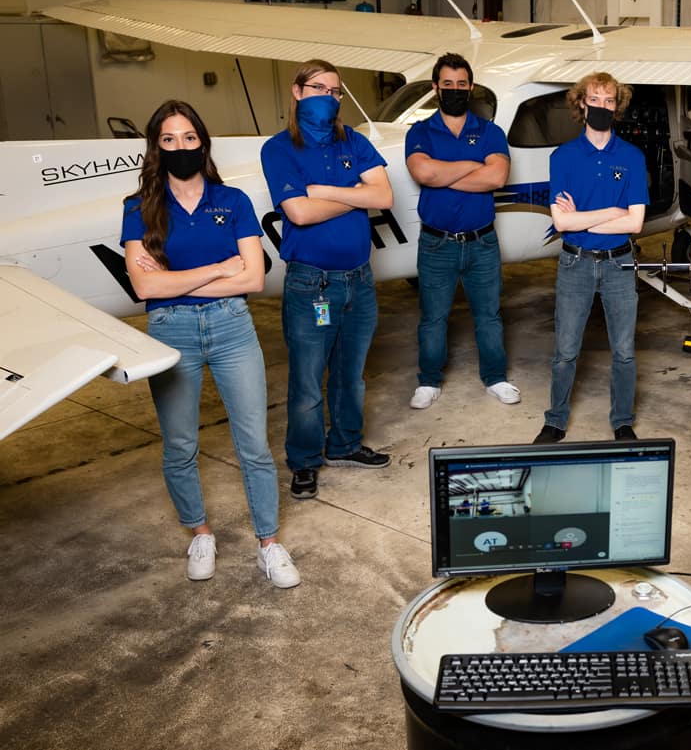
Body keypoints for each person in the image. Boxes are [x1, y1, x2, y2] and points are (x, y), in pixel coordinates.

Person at [121, 100, 300, 588]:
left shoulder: (233, 201)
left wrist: (177, 279)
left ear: (203, 142)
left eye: (189, 138)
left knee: (254, 445)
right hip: (171, 331)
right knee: (180, 445)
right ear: (156, 148)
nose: (181, 147)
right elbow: (144, 289)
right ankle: (200, 532)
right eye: (169, 140)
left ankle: (269, 542)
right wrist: (222, 269)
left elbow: (256, 277)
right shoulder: (138, 209)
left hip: (231, 327)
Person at [260, 59, 395, 500]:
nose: (329, 98)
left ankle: (345, 445)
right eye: (319, 88)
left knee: (350, 376)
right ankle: (304, 460)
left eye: (335, 92)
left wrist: (324, 191)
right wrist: (356, 198)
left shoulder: (351, 140)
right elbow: (297, 212)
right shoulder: (278, 149)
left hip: (359, 280)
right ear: (297, 92)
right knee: (307, 381)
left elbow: (385, 196)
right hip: (311, 284)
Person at [533, 72, 649, 444]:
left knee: (625, 351)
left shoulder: (632, 157)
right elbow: (561, 222)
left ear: (618, 106)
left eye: (609, 101)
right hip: (575, 263)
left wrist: (586, 218)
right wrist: (612, 213)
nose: (602, 107)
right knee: (566, 349)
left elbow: (636, 223)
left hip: (619, 264)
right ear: (581, 103)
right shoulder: (563, 157)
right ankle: (555, 419)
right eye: (594, 100)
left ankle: (622, 421)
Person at [405, 53, 518, 410]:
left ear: (471, 87)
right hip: (436, 243)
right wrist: (473, 166)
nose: (455, 90)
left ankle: (495, 377)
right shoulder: (420, 131)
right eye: (447, 84)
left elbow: (497, 177)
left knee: (489, 315)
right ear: (436, 88)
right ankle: (428, 380)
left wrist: (446, 173)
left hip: (482, 241)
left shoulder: (490, 131)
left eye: (461, 84)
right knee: (433, 317)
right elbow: (424, 174)